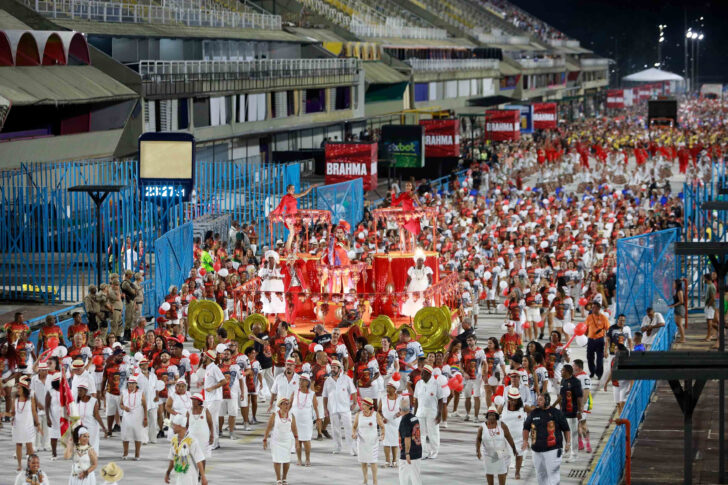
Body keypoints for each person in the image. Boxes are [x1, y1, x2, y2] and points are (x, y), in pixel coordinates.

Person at [522, 393, 571, 485]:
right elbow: (526, 427)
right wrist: (525, 440)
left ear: (547, 401)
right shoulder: (534, 413)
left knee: (553, 475)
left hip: (553, 450)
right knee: (540, 474)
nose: (538, 402)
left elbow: (566, 429)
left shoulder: (557, 413)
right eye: (538, 399)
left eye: (540, 400)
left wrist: (568, 443)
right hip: (536, 451)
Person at [476, 405, 518, 485]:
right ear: (487, 416)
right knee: (489, 473)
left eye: (493, 415)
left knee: (501, 473)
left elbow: (509, 437)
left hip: (500, 453)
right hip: (488, 454)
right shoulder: (482, 427)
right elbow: (478, 439)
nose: (491, 417)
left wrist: (514, 449)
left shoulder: (502, 425)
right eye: (490, 415)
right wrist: (478, 450)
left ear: (496, 416)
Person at [322, 359, 357, 455]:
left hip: (345, 408)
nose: (332, 369)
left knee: (349, 429)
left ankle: (353, 449)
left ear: (339, 369)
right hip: (333, 408)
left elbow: (353, 391)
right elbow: (325, 396)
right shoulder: (328, 381)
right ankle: (337, 447)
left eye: (334, 368)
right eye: (331, 367)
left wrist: (354, 403)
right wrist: (325, 409)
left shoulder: (346, 379)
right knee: (335, 429)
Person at [270, 183, 316, 253]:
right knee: (292, 232)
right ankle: (287, 249)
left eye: (294, 188)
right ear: (288, 190)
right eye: (292, 188)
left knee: (293, 233)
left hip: (294, 217)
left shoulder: (294, 196)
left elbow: (304, 193)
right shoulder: (285, 197)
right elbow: (281, 207)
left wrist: (311, 187)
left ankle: (288, 248)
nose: (293, 190)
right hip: (288, 217)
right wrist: (279, 214)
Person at [164, 413, 208, 485]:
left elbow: (199, 460)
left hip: (190, 477)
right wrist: (168, 472)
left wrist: (203, 477)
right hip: (178, 476)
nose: (172, 427)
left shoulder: (191, 440)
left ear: (180, 426)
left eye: (174, 425)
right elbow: (172, 458)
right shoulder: (174, 440)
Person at [263, 396, 298, 485]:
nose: (287, 406)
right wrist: (265, 439)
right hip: (276, 441)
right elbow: (268, 427)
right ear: (280, 405)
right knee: (277, 459)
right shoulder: (274, 415)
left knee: (286, 460)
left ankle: (284, 478)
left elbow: (294, 428)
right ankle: (278, 479)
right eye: (285, 404)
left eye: (288, 404)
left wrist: (297, 440)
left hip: (287, 440)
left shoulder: (291, 415)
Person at [552, 364, 582, 462]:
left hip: (573, 412)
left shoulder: (576, 382)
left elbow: (579, 397)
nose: (561, 372)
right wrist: (553, 405)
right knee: (564, 432)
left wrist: (579, 410)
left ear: (568, 372)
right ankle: (567, 450)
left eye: (562, 371)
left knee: (573, 433)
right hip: (563, 411)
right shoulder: (563, 381)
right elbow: (561, 395)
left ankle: (574, 455)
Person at [352, 397, 386, 485]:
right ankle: (365, 480)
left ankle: (375, 481)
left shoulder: (376, 415)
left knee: (373, 461)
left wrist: (382, 435)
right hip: (361, 441)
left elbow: (382, 426)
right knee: (363, 461)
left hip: (373, 442)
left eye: (364, 404)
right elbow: (354, 426)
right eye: (362, 404)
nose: (362, 406)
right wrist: (354, 433)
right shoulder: (358, 415)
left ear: (369, 406)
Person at [413, 364, 443, 459]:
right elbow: (416, 400)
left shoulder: (436, 384)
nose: (421, 375)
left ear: (429, 374)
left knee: (433, 433)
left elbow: (441, 400)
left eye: (424, 373)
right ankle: (424, 452)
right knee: (421, 433)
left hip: (432, 412)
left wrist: (439, 414)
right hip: (420, 412)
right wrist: (414, 414)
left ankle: (434, 451)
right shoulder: (419, 384)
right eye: (421, 373)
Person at [13, 376, 40, 471]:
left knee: (29, 446)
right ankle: (19, 465)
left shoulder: (30, 399)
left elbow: (34, 412)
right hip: (18, 426)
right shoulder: (15, 399)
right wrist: (4, 414)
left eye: (19, 388)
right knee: (18, 445)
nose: (17, 389)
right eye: (17, 388)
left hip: (28, 425)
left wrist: (38, 424)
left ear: (24, 389)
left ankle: (31, 465)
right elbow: (13, 413)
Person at [201, 350, 227, 450]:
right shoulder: (208, 368)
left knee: (212, 420)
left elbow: (224, 381)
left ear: (208, 358)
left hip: (215, 399)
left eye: (204, 357)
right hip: (209, 399)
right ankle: (213, 441)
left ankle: (214, 443)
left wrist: (212, 388)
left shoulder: (214, 368)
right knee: (210, 420)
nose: (202, 358)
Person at [498, 387, 526, 479]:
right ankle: (504, 471)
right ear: (508, 398)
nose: (513, 402)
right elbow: (495, 417)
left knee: (519, 454)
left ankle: (517, 472)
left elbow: (533, 413)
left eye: (515, 400)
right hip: (505, 437)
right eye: (511, 399)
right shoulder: (503, 405)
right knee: (504, 456)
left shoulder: (524, 407)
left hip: (519, 437)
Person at [291, 373, 319, 466]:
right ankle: (299, 459)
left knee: (306, 441)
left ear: (307, 382)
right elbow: (289, 405)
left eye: (303, 380)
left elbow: (315, 407)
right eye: (300, 380)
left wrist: (318, 419)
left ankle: (307, 459)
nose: (301, 382)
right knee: (297, 440)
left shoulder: (312, 394)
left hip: (307, 421)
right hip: (296, 421)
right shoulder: (295, 392)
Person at [120, 376, 147, 461]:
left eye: (133, 383)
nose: (131, 385)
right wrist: (124, 408)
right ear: (127, 384)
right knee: (125, 435)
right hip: (127, 416)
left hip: (138, 416)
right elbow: (120, 404)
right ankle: (125, 453)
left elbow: (145, 406)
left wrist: (145, 418)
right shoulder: (124, 392)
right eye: (130, 383)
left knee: (137, 435)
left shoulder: (140, 392)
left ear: (136, 384)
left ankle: (137, 454)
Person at [402, 249, 433, 318]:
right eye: (418, 260)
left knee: (423, 301)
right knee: (412, 300)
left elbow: (430, 279)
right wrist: (405, 286)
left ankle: (424, 315)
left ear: (423, 261)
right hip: (413, 287)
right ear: (416, 261)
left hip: (424, 287)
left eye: (421, 260)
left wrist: (429, 285)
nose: (420, 261)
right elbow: (408, 279)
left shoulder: (426, 269)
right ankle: (414, 316)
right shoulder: (412, 269)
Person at [76, 383, 106, 455]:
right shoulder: (76, 401)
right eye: (78, 391)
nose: (79, 392)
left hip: (91, 427)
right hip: (80, 427)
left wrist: (104, 427)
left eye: (81, 391)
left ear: (86, 391)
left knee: (91, 444)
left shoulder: (93, 401)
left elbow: (96, 415)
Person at [398, 398, 422, 485]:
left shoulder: (404, 420)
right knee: (416, 476)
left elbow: (407, 438)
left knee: (403, 476)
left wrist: (407, 453)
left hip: (408, 453)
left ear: (400, 409)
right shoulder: (414, 417)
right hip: (417, 450)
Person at [380, 379, 402, 468]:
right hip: (386, 423)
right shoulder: (383, 398)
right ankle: (387, 461)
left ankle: (395, 461)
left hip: (396, 423)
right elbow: (378, 411)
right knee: (386, 442)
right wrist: (382, 418)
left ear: (394, 389)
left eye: (389, 388)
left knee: (395, 442)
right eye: (387, 387)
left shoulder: (400, 398)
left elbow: (405, 409)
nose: (387, 389)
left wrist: (400, 413)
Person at [188, 393, 214, 469]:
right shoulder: (189, 411)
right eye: (192, 400)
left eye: (195, 400)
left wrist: (211, 435)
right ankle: (195, 472)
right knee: (192, 455)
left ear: (199, 401)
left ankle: (201, 474)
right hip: (192, 437)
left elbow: (210, 424)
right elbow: (186, 425)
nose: (193, 401)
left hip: (203, 437)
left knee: (202, 456)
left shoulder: (205, 410)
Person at [603, 344, 631, 414]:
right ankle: (620, 421)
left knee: (622, 404)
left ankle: (623, 419)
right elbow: (611, 372)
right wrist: (606, 383)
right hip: (615, 385)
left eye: (616, 349)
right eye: (614, 349)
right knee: (618, 404)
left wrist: (631, 386)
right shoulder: (613, 360)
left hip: (625, 385)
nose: (615, 351)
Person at [585, 301, 609, 379]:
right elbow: (586, 328)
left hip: (600, 340)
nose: (592, 309)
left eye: (594, 307)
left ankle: (599, 374)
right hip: (591, 340)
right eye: (592, 307)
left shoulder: (603, 317)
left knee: (599, 359)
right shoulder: (589, 317)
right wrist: (585, 335)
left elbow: (608, 328)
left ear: (598, 308)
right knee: (589, 357)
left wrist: (607, 339)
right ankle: (592, 371)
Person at [573, 359, 592, 453]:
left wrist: (582, 405)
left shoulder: (584, 377)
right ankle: (580, 443)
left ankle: (587, 444)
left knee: (583, 423)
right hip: (576, 403)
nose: (572, 367)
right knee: (577, 424)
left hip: (582, 404)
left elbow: (586, 391)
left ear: (577, 367)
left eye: (573, 366)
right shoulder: (576, 377)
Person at [259, 251, 286, 316]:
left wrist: (275, 277)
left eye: (272, 258)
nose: (270, 260)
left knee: (276, 300)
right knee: (267, 300)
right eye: (269, 258)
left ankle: (277, 316)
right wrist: (266, 276)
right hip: (267, 285)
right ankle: (266, 315)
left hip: (276, 285)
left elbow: (283, 275)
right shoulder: (265, 266)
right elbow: (260, 275)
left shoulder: (278, 266)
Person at [670, 279, 686, 343]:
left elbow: (681, 301)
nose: (673, 285)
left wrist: (673, 305)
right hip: (677, 308)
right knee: (678, 323)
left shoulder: (679, 291)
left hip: (680, 308)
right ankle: (682, 338)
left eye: (674, 283)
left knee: (679, 324)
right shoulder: (677, 291)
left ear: (677, 284)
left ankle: (683, 338)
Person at [704, 273, 717, 342]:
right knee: (709, 321)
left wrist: (709, 305)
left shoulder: (711, 286)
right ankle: (709, 335)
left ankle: (709, 335)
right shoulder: (710, 286)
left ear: (706, 278)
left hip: (710, 306)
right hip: (709, 305)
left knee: (710, 321)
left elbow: (713, 297)